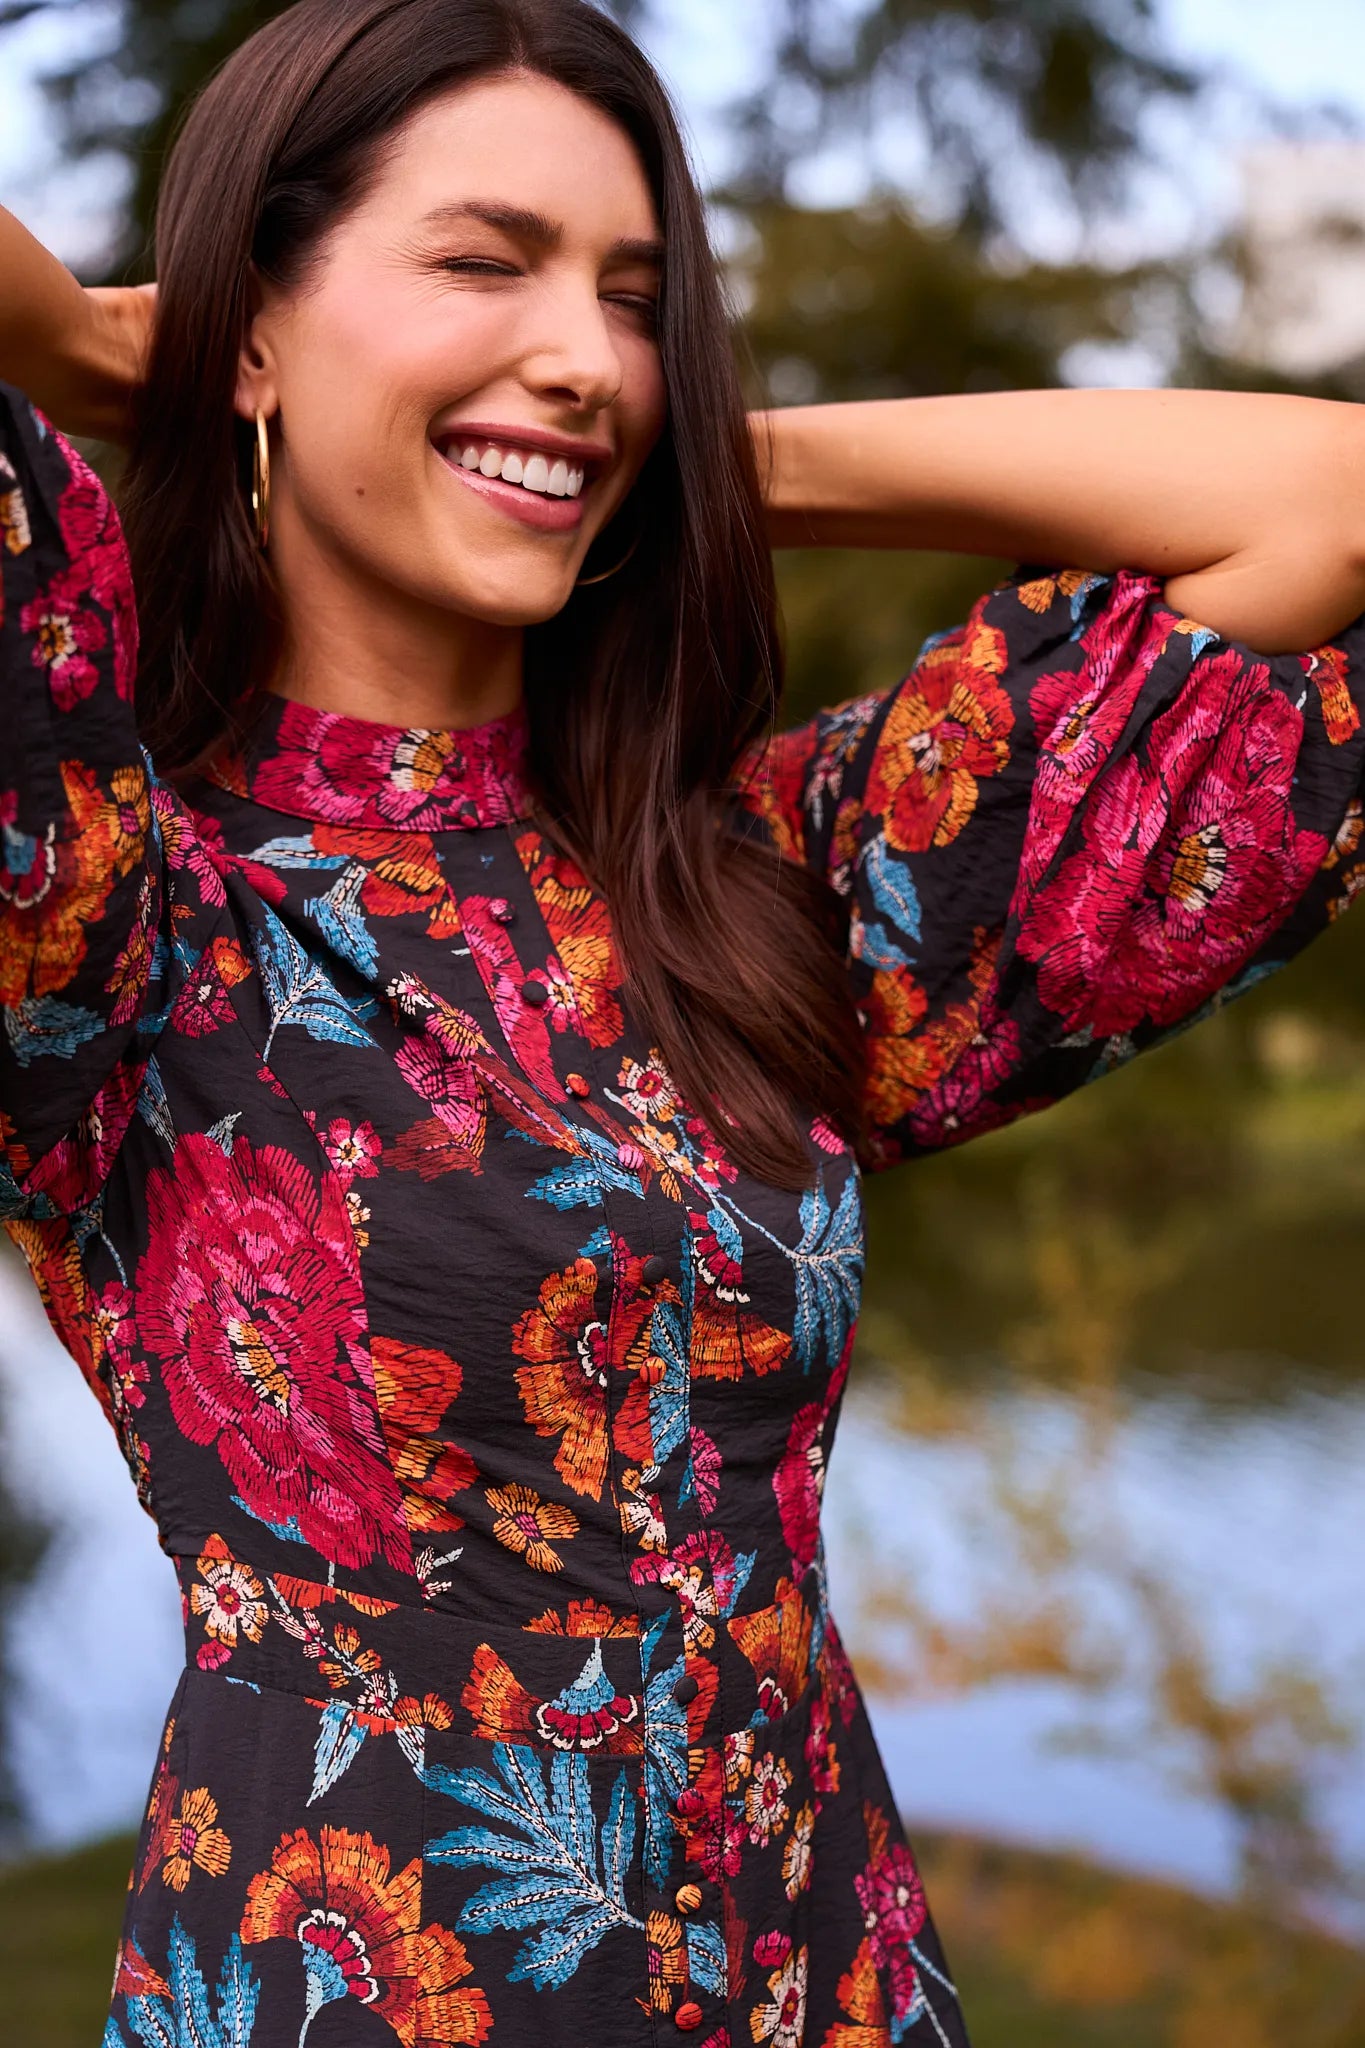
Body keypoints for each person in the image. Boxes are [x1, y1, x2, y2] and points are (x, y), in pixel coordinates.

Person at [3, 2, 1365, 2043]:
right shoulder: (120, 914)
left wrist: (666, 451)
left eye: (632, 301)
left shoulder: (748, 875)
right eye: (482, 261)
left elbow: (1321, 505)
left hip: (824, 1967)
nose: (581, 346)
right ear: (251, 329)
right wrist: (120, 360)